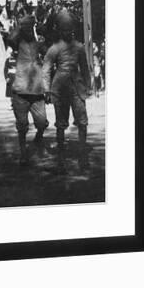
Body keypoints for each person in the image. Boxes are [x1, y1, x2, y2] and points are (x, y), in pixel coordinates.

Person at [43, 10, 92, 171]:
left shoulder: (79, 47)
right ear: (59, 30)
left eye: (70, 29)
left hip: (77, 89)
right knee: (61, 124)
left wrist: (88, 86)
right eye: (64, 29)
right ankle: (60, 161)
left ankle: (83, 158)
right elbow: (46, 70)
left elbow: (85, 69)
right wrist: (47, 90)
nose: (68, 32)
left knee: (82, 122)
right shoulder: (54, 49)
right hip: (60, 89)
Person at [7, 15, 48, 166]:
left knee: (42, 123)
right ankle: (23, 153)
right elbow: (10, 39)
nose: (29, 30)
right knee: (22, 126)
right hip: (20, 92)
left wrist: (44, 32)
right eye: (26, 28)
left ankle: (38, 138)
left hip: (37, 92)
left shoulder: (38, 44)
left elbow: (48, 52)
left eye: (31, 27)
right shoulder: (17, 43)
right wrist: (20, 26)